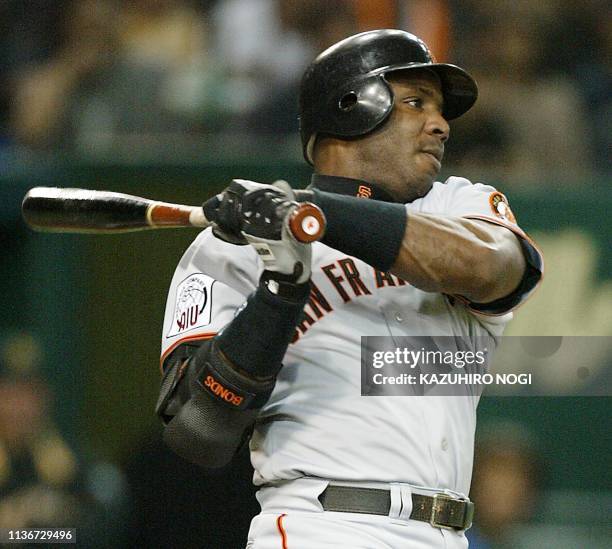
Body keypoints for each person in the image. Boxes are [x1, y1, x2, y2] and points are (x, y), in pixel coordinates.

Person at [156, 29, 543, 548]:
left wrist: (312, 213)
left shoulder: (458, 204)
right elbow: (198, 434)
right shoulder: (230, 248)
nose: (441, 125)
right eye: (416, 102)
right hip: (323, 523)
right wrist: (280, 290)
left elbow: (494, 266)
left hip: (447, 531)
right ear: (351, 106)